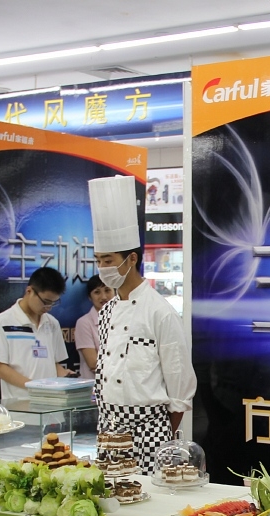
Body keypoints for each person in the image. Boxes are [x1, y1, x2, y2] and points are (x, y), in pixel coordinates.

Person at [90, 175, 197, 474]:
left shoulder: (160, 312)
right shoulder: (106, 312)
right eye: (98, 260)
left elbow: (180, 385)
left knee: (147, 497)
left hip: (149, 430)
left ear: (131, 259)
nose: (102, 268)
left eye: (108, 260)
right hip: (108, 428)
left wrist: (162, 434)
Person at [0, 267, 72, 403]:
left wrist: (68, 378)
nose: (48, 308)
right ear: (29, 291)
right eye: (45, 302)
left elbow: (54, 364)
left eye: (53, 303)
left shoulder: (52, 323)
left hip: (51, 404)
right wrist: (34, 387)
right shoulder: (2, 322)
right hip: (19, 405)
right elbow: (0, 368)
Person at [74, 274, 113, 380]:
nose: (103, 297)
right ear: (89, 297)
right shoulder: (84, 323)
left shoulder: (123, 319)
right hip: (94, 386)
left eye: (107, 290)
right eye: (97, 292)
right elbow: (93, 363)